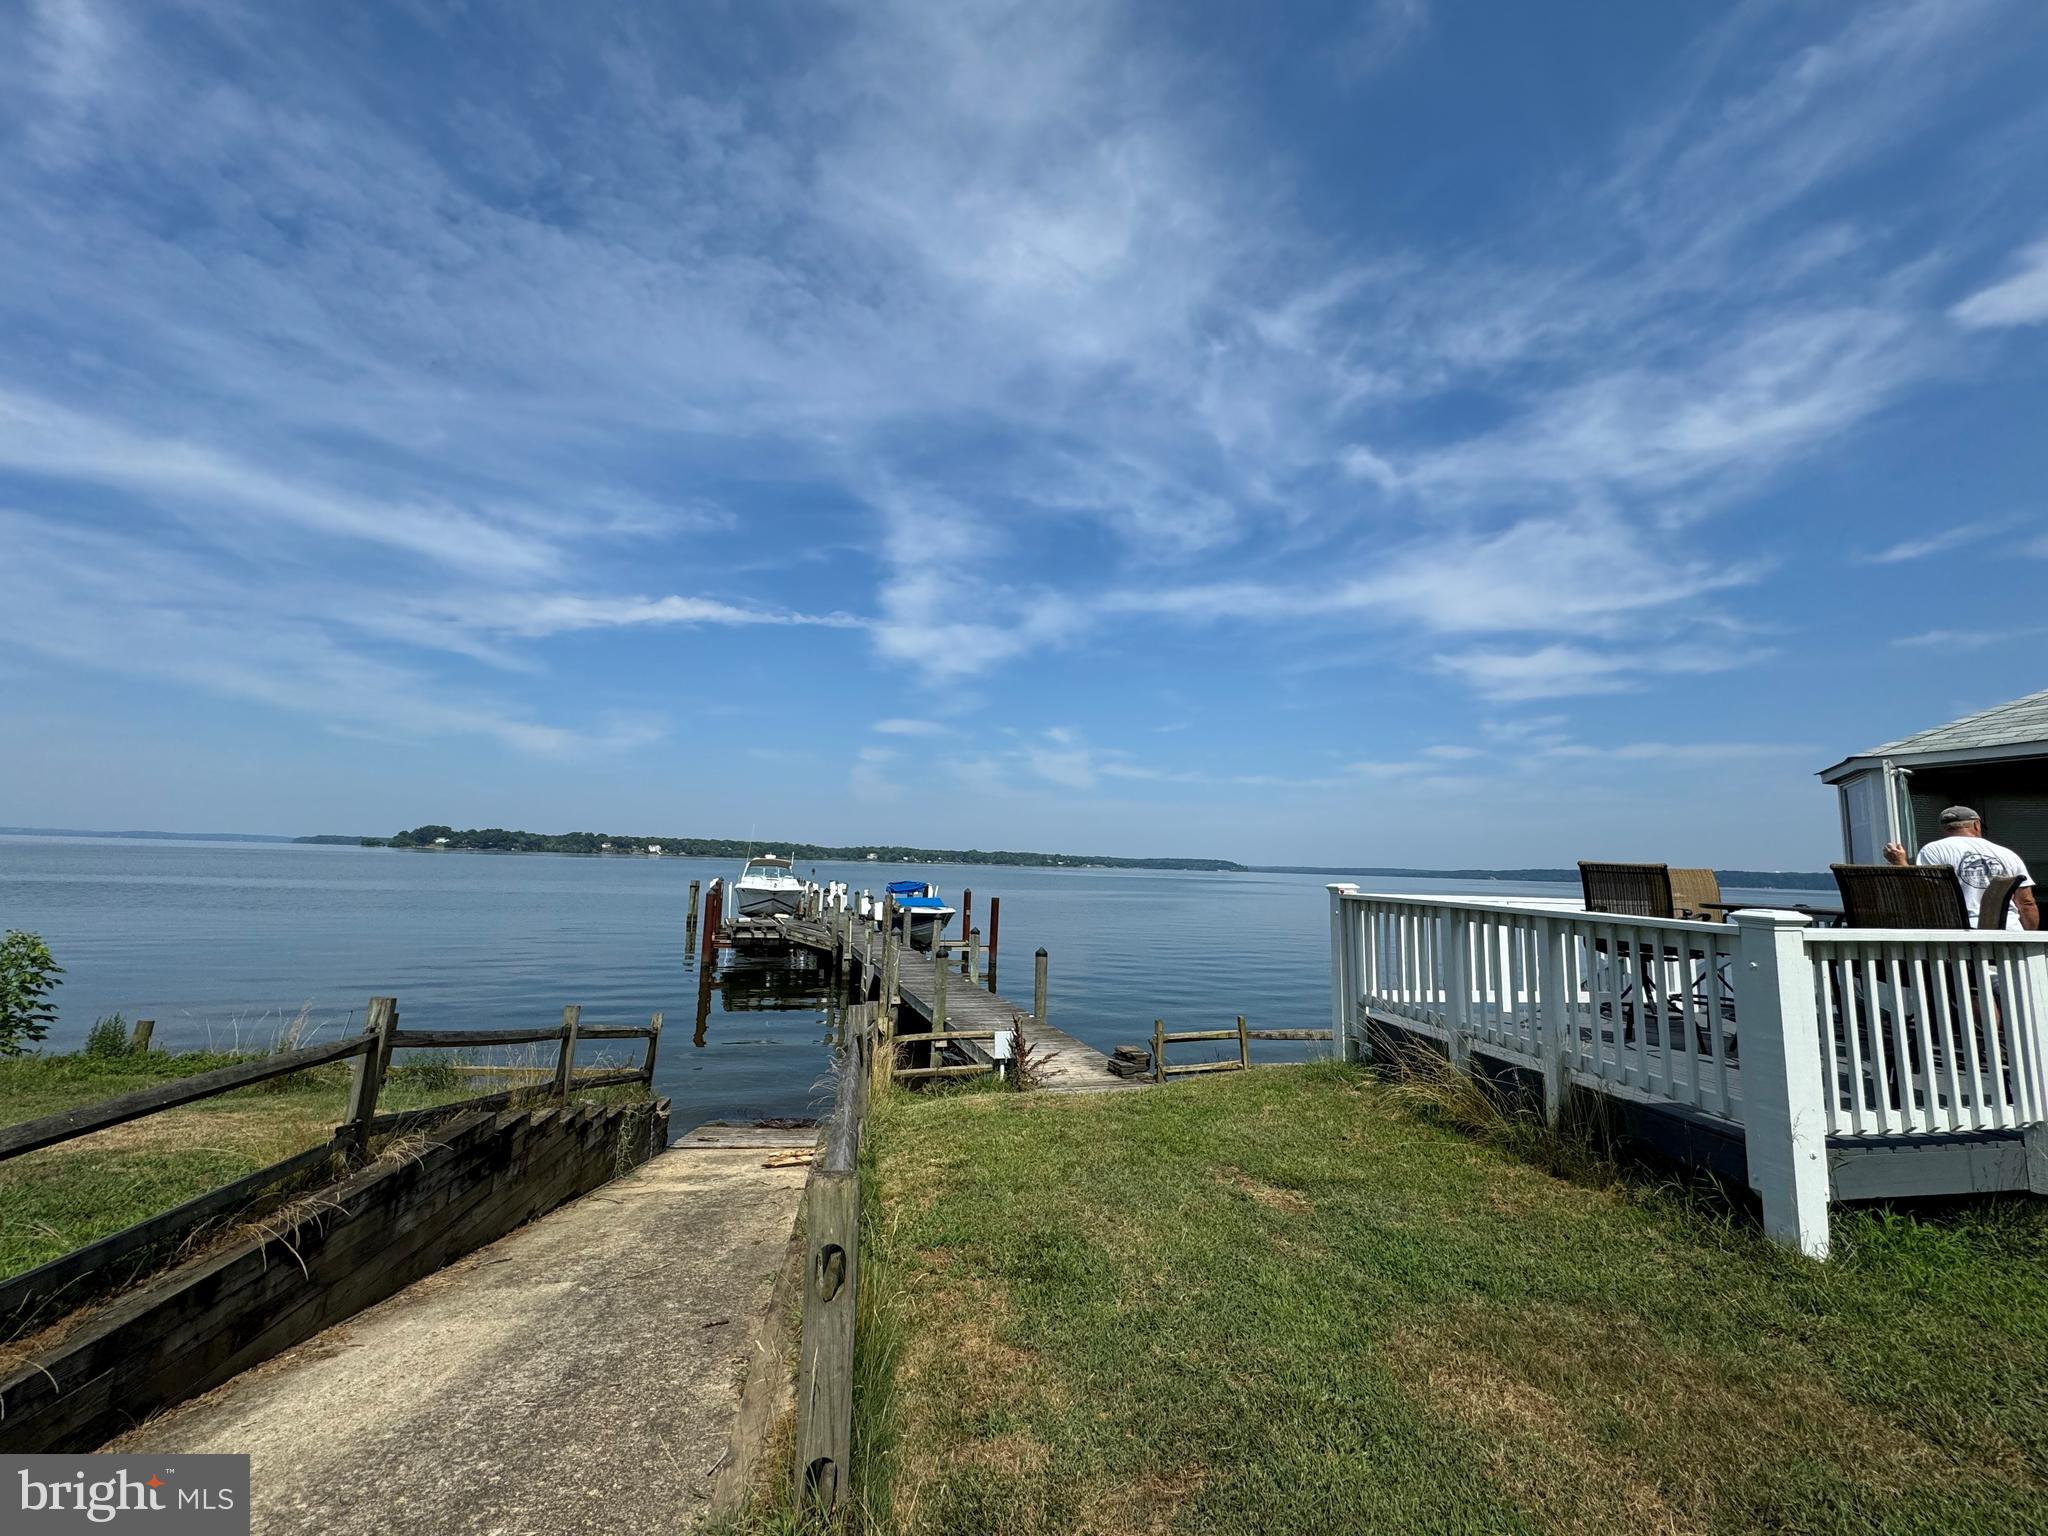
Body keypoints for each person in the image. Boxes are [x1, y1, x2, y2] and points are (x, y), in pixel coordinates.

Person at [1883, 806, 2039, 930]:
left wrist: (1901, 864)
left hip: (1962, 937)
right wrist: (2028, 939)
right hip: (2008, 932)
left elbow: (1924, 893)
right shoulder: (2007, 854)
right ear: (1977, 825)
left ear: (1943, 829)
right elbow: (2026, 903)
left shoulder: (1933, 850)